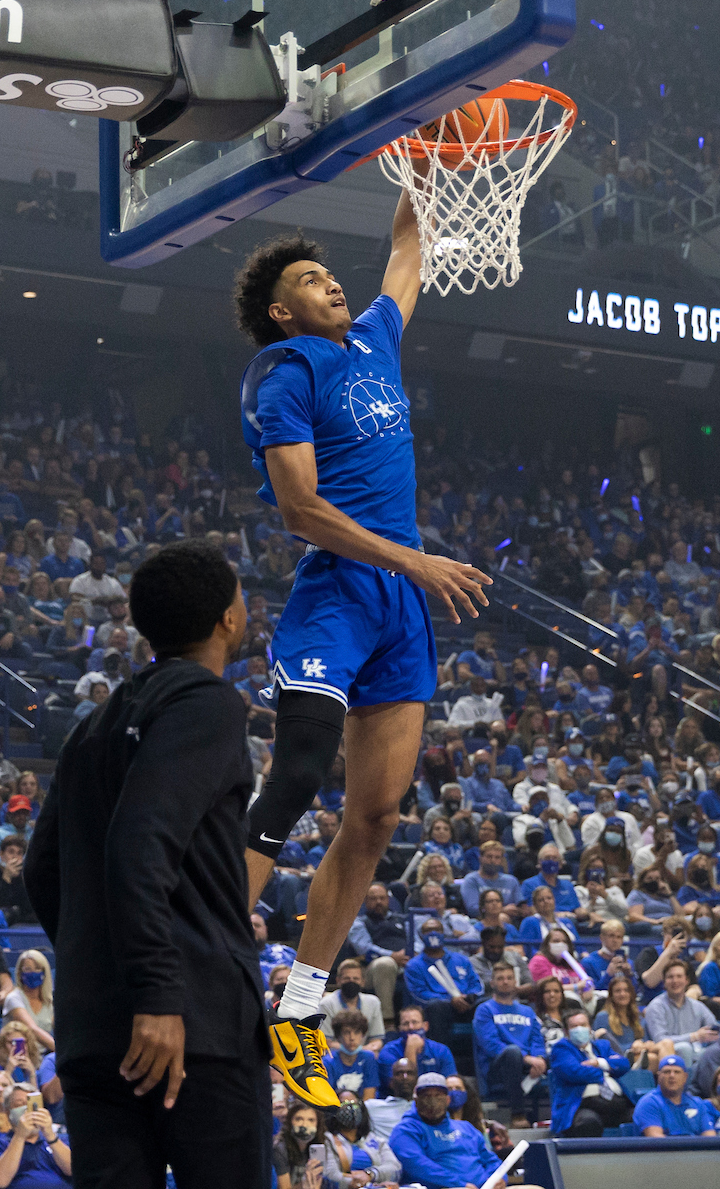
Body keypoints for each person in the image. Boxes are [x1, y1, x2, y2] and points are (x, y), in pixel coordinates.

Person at [236, 222, 491, 1108]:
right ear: (283, 311)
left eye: (329, 273)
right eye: (311, 279)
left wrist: (433, 140)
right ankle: (206, 945)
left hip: (401, 610)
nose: (331, 284)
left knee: (377, 814)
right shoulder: (287, 372)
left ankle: (298, 1008)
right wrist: (414, 560)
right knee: (299, 770)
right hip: (340, 591)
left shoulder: (375, 335)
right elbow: (301, 510)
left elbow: (410, 248)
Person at [24, 540, 273, 1186]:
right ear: (227, 618)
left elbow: (43, 870)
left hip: (96, 1032)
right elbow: (142, 840)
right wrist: (158, 993)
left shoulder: (93, 723)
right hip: (192, 1029)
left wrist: (103, 965)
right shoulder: (209, 702)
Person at [388, 1072, 502, 1189]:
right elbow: (418, 1166)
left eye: (438, 1095)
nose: (432, 1101)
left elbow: (490, 1159)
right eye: (426, 1095)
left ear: (448, 1100)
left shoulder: (466, 1128)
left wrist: (499, 1178)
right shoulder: (405, 1130)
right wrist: (460, 1184)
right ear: (416, 1100)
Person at [473, 961, 547, 1128]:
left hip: (527, 1064)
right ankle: (518, 1114)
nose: (505, 982)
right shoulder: (484, 1010)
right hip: (497, 1066)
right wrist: (528, 1059)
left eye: (509, 978)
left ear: (515, 982)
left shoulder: (527, 1011)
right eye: (500, 978)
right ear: (492, 983)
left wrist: (540, 1058)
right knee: (512, 1052)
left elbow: (537, 1039)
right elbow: (491, 1046)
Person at [548, 1009, 632, 1136]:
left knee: (642, 1116)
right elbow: (575, 1072)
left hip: (617, 1104)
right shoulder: (561, 1049)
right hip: (582, 1106)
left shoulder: (602, 1046)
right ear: (566, 1032)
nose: (579, 1029)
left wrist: (598, 1063)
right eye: (574, 1026)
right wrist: (606, 1069)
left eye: (583, 1025)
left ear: (590, 1027)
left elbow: (624, 1064)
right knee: (588, 1122)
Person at [0, 1079, 72, 1187]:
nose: (27, 1110)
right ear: (8, 1112)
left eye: (32, 1104)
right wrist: (20, 1137)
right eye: (20, 1104)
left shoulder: (60, 1140)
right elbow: (0, 1182)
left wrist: (50, 1136)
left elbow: (73, 1170)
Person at [346, 884, 409, 1029]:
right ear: (365, 902)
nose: (378, 902)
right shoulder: (359, 922)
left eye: (382, 898)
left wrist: (411, 953)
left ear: (388, 900)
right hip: (370, 970)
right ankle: (387, 1022)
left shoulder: (402, 919)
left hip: (405, 962)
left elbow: (416, 941)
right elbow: (364, 948)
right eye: (373, 899)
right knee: (385, 964)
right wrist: (393, 956)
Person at [643, 959, 718, 1066]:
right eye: (670, 977)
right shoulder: (656, 1007)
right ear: (664, 982)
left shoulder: (697, 1006)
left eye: (679, 976)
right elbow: (660, 1040)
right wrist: (694, 1036)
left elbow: (715, 1029)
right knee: (684, 1048)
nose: (675, 981)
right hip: (667, 1053)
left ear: (686, 980)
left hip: (697, 1052)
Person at [322, 1093, 402, 1187]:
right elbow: (330, 1175)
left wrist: (370, 1174)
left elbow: (395, 1168)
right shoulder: (327, 1140)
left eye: (354, 1104)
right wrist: (362, 1184)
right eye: (344, 1104)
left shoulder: (375, 1140)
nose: (350, 1109)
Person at [593, 974, 671, 1069]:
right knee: (652, 1058)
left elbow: (646, 1039)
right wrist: (632, 1046)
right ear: (611, 995)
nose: (623, 994)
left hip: (642, 1052)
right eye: (618, 991)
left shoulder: (639, 1016)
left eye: (626, 990)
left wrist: (644, 1044)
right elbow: (602, 1047)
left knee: (667, 1043)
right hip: (619, 1057)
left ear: (631, 994)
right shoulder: (603, 1017)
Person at [377, 1006, 456, 1097]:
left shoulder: (441, 1051)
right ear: (399, 1028)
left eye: (415, 1022)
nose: (411, 1027)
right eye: (406, 1024)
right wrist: (411, 1049)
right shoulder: (388, 1052)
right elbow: (403, 1090)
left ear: (425, 1026)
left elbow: (449, 1084)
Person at [632, 1054, 716, 1136]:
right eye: (667, 1072)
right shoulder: (649, 1103)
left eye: (677, 1072)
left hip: (695, 1150)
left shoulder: (698, 1104)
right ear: (659, 1076)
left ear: (685, 1077)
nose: (672, 1076)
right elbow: (656, 1142)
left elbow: (710, 1138)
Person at [319, 960, 384, 1051]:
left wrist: (361, 1051)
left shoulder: (373, 1002)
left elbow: (377, 1040)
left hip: (364, 1056)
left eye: (355, 979)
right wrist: (353, 1051)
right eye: (347, 979)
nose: (351, 982)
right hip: (335, 1056)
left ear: (363, 982)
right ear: (338, 980)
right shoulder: (326, 1004)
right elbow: (325, 1041)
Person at [1, 951, 53, 1054]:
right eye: (28, 969)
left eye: (37, 969)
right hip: (16, 1055)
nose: (33, 973)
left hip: (42, 1056)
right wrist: (60, 1051)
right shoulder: (14, 998)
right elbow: (32, 1029)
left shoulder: (50, 1001)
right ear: (20, 973)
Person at [322, 1011, 379, 1100]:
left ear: (362, 1035)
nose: (352, 1038)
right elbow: (328, 1098)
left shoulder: (369, 1058)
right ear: (338, 1036)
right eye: (346, 1032)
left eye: (356, 1032)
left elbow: (369, 1098)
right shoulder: (328, 1062)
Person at [459, 841, 523, 917]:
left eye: (497, 857)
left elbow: (520, 907)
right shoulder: (471, 880)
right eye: (489, 856)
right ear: (480, 858)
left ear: (501, 860)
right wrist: (502, 911)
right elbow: (473, 910)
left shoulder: (511, 881)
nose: (493, 861)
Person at [0, 837, 38, 926]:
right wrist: (6, 878)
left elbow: (29, 907)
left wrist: (22, 879)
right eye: (11, 852)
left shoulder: (27, 875)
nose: (15, 857)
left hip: (22, 922)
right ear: (1, 854)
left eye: (19, 853)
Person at [470, 925, 532, 995]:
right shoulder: (472, 963)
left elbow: (530, 983)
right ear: (483, 944)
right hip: (486, 1000)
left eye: (500, 947)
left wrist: (516, 990)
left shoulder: (515, 957)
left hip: (518, 998)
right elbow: (475, 988)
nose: (496, 951)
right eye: (492, 947)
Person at [518, 887, 578, 958]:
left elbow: (579, 945)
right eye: (541, 900)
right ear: (535, 905)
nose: (546, 902)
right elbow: (527, 948)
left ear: (554, 900)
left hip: (572, 960)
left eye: (549, 898)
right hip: (544, 961)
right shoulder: (530, 922)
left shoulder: (566, 922)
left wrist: (584, 953)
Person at [580, 921, 634, 990]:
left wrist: (629, 975)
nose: (615, 940)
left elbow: (635, 991)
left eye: (619, 937)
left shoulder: (628, 963)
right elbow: (592, 990)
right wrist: (608, 975)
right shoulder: (588, 962)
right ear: (602, 937)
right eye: (611, 936)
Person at [531, 976, 568, 1054]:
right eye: (547, 991)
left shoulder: (570, 1016)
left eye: (556, 991)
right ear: (540, 996)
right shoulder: (535, 1019)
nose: (552, 995)